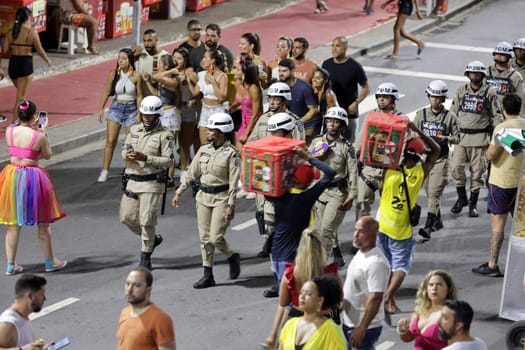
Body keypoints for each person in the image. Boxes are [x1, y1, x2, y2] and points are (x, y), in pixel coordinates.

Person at [377, 122, 440, 319]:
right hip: (400, 230)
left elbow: (380, 188)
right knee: (401, 267)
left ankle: (390, 301)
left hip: (381, 225)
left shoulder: (390, 170)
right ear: (420, 156)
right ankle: (387, 297)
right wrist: (415, 128)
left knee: (387, 265)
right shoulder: (420, 173)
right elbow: (436, 150)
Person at [172, 113, 241, 289]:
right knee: (204, 238)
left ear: (221, 132)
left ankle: (231, 256)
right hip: (203, 197)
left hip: (222, 198)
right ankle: (208, 274)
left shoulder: (232, 155)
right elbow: (192, 172)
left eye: (211, 129)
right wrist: (179, 192)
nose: (207, 131)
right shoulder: (204, 150)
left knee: (215, 237)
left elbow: (233, 183)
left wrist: (231, 205)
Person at [0, 100, 67, 275]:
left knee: (13, 224)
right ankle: (50, 262)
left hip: (12, 176)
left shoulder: (9, 131)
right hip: (32, 177)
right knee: (43, 223)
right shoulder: (39, 136)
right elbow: (48, 155)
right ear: (35, 116)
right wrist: (44, 133)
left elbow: (16, 132)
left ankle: (10, 265)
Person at [265, 146, 335, 296]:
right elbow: (330, 173)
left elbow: (266, 182)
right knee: (296, 300)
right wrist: (308, 157)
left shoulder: (278, 196)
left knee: (285, 299)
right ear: (307, 183)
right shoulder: (305, 198)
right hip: (292, 260)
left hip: (276, 255)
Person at [247, 83, 305, 261]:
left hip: (283, 173)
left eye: (275, 99)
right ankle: (269, 241)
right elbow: (253, 141)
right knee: (263, 211)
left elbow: (299, 147)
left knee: (280, 212)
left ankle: (280, 243)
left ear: (284, 101)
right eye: (270, 98)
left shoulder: (294, 122)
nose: (271, 102)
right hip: (263, 172)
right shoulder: (263, 119)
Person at [472, 93, 525, 277]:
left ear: (503, 109)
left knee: (498, 224)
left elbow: (491, 155)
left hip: (502, 182)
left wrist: (488, 153)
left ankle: (493, 264)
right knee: (522, 226)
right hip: (522, 182)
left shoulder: (502, 129)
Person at [262, 228, 340, 350]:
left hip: (294, 319)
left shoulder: (290, 273)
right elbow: (339, 301)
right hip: (322, 321)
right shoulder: (330, 273)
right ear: (320, 249)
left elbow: (283, 302)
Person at [119, 96, 174, 271]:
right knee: (126, 217)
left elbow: (168, 161)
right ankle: (152, 239)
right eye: (144, 114)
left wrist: (145, 158)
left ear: (158, 115)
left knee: (146, 221)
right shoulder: (134, 130)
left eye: (150, 115)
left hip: (151, 183)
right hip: (133, 179)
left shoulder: (165, 135)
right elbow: (124, 149)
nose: (146, 118)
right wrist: (126, 155)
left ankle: (145, 255)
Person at [449, 61, 502, 217]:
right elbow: (453, 113)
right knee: (455, 169)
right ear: (467, 75)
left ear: (482, 75)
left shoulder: (489, 93)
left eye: (477, 73)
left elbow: (496, 115)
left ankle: (472, 205)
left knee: (477, 173)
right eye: (472, 73)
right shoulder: (461, 91)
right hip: (461, 138)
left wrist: (498, 135)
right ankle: (461, 199)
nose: (474, 75)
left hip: (480, 139)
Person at [309, 107, 357, 267]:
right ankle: (336, 254)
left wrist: (352, 196)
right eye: (329, 121)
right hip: (318, 191)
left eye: (336, 122)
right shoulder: (317, 142)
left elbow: (353, 172)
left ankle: (320, 265)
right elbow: (307, 164)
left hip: (337, 193)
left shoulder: (346, 147)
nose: (331, 124)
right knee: (325, 227)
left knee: (326, 231)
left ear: (342, 125)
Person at [413, 80, 459, 239]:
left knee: (434, 193)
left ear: (443, 99)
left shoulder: (450, 116)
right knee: (428, 190)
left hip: (441, 160)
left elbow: (458, 138)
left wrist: (444, 138)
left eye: (438, 97)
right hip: (424, 160)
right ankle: (437, 219)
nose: (435, 100)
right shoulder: (421, 114)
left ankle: (428, 227)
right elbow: (412, 134)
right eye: (432, 96)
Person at [342, 216, 390, 350]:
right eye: (355, 230)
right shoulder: (361, 253)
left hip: (364, 328)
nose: (355, 235)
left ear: (374, 234)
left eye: (361, 232)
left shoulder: (376, 263)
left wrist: (362, 328)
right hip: (351, 323)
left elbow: (376, 297)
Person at [355, 82, 401, 219]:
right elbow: (359, 142)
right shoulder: (371, 116)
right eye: (379, 96)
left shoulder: (401, 119)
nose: (381, 99)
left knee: (389, 209)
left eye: (385, 97)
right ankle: (361, 238)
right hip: (369, 169)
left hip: (389, 171)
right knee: (361, 204)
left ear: (393, 99)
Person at [97, 48, 143, 183]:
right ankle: (105, 170)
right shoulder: (113, 74)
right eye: (119, 58)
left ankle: (128, 170)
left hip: (131, 109)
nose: (121, 61)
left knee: (130, 143)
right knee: (110, 141)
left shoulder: (136, 76)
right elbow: (106, 92)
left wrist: (139, 113)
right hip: (116, 108)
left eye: (124, 58)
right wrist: (101, 108)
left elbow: (139, 96)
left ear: (130, 61)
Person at [3, 7, 51, 123]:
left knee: (21, 95)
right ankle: (15, 123)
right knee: (20, 98)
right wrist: (47, 60)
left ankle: (24, 118)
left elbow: (5, 50)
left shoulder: (11, 32)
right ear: (28, 18)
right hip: (25, 65)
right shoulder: (31, 32)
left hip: (13, 64)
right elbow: (39, 50)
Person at [322, 36, 370, 143]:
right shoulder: (326, 64)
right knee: (328, 142)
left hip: (349, 113)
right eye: (332, 46)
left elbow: (366, 87)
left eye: (337, 46)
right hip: (332, 114)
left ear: (345, 48)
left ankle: (349, 159)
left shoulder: (354, 66)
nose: (334, 49)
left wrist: (356, 103)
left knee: (349, 143)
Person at [278, 275, 346, 350]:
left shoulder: (331, 331)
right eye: (301, 292)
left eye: (308, 294)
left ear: (320, 300)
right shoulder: (289, 325)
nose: (302, 296)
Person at [396, 270, 458, 350]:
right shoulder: (421, 309)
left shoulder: (451, 315)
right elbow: (410, 337)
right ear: (426, 288)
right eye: (431, 285)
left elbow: (456, 346)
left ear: (448, 289)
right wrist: (403, 331)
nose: (434, 288)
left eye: (439, 285)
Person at [117, 268, 176, 350]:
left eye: (137, 285)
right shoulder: (124, 313)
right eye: (127, 284)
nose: (129, 290)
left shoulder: (160, 319)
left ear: (148, 290)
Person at [148, 54, 182, 186]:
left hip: (170, 115)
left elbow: (156, 77)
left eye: (160, 64)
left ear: (166, 66)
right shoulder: (164, 79)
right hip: (161, 113)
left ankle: (170, 177)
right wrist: (146, 81)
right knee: (159, 147)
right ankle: (161, 173)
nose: (158, 66)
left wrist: (170, 72)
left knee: (169, 148)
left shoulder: (173, 81)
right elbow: (156, 94)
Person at [0, 274, 53, 349]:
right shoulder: (8, 324)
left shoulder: (23, 316)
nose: (45, 298)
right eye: (42, 294)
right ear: (30, 296)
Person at [187, 49, 228, 145]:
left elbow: (222, 97)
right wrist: (188, 80)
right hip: (205, 111)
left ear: (213, 60)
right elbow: (195, 92)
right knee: (204, 145)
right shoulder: (201, 74)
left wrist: (213, 82)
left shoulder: (222, 76)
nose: (203, 60)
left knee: (217, 144)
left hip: (217, 111)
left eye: (205, 57)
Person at [172, 47, 199, 182]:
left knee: (185, 143)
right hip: (174, 110)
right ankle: (169, 173)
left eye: (179, 58)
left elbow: (199, 93)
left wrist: (193, 100)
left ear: (185, 60)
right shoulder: (169, 72)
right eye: (174, 58)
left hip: (187, 110)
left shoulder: (191, 73)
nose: (176, 61)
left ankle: (184, 169)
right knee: (171, 143)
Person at [278, 59, 318, 145]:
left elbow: (313, 110)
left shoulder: (304, 88)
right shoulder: (280, 87)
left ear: (292, 71)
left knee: (302, 151)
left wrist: (298, 122)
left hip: (307, 126)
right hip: (290, 126)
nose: (281, 74)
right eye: (279, 71)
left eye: (284, 71)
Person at [231, 52, 263, 147]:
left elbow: (256, 114)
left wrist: (246, 134)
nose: (234, 72)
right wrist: (232, 107)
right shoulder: (238, 84)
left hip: (253, 125)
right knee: (240, 154)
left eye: (237, 70)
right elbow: (239, 101)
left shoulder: (253, 88)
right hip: (243, 122)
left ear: (244, 73)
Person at [486, 41, 525, 116]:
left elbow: (521, 100)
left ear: (509, 56)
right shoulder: (486, 72)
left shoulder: (515, 76)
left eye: (503, 54)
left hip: (506, 115)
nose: (499, 55)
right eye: (497, 53)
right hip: (486, 116)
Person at [133, 29, 169, 97]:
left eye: (149, 40)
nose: (146, 44)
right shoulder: (141, 53)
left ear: (156, 40)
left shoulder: (165, 56)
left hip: (156, 95)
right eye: (144, 41)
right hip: (141, 95)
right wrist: (132, 54)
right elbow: (125, 63)